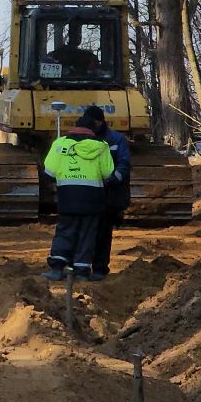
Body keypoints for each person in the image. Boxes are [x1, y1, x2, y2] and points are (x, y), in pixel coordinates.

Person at [42, 106, 114, 281]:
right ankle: (81, 272)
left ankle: (57, 268)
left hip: (68, 196)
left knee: (65, 230)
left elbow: (49, 171)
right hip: (92, 197)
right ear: (93, 129)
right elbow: (108, 173)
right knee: (87, 234)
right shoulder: (102, 146)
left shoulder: (60, 144)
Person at [92, 109, 133, 279]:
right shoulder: (83, 139)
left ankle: (99, 267)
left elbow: (124, 163)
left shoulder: (116, 139)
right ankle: (82, 267)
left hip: (109, 193)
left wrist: (114, 179)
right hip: (90, 192)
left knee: (103, 230)